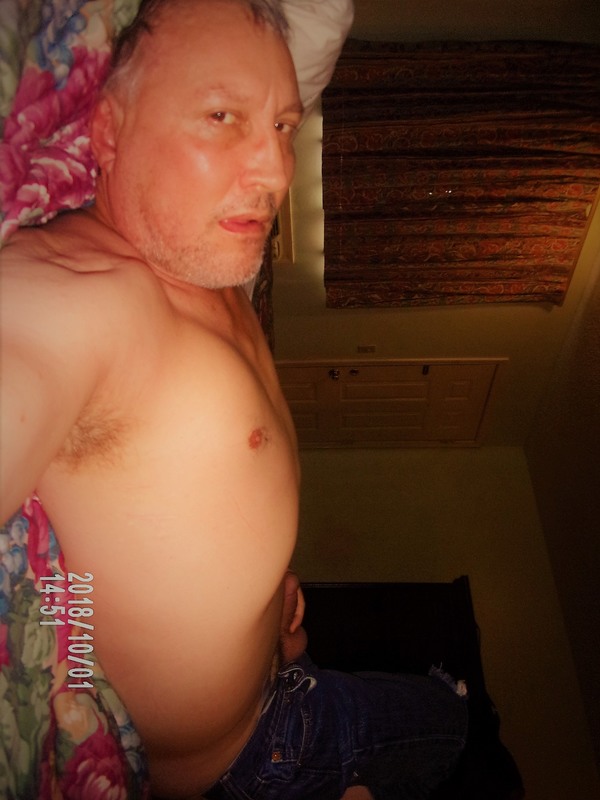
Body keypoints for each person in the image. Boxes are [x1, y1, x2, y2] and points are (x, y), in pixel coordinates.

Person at [0, 1, 467, 798]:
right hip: (252, 765)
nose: (278, 172)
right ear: (106, 131)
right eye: (222, 117)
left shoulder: (208, 258)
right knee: (451, 729)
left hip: (289, 667)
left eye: (284, 126)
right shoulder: (74, 301)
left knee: (448, 722)